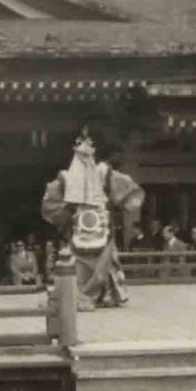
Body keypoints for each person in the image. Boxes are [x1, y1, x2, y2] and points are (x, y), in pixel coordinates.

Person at [41, 127, 145, 309]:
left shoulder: (104, 173)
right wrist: (68, 209)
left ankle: (104, 295)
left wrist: (123, 202)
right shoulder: (66, 178)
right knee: (76, 266)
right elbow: (52, 204)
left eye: (89, 144)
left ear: (95, 150)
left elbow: (128, 192)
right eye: (79, 144)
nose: (84, 148)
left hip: (101, 228)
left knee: (103, 267)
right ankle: (77, 295)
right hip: (78, 231)